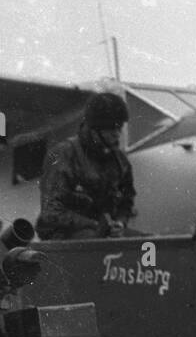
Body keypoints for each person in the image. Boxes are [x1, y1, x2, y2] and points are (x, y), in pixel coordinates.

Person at [36, 91, 137, 239]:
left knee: (149, 242)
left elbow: (127, 200)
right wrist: (95, 225)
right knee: (92, 238)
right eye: (110, 128)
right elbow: (51, 211)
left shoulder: (120, 161)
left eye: (119, 127)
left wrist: (120, 222)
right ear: (94, 129)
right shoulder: (64, 154)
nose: (117, 133)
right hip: (64, 234)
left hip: (104, 232)